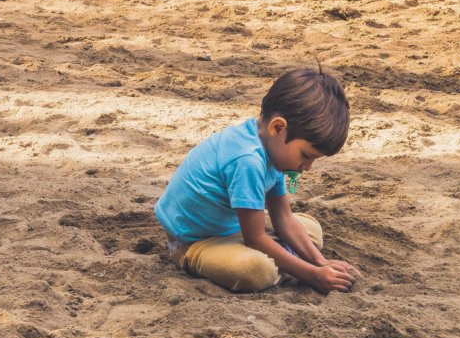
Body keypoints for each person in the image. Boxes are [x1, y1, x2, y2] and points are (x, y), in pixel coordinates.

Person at [154, 68, 361, 294]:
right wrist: (313, 275)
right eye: (306, 155)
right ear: (278, 127)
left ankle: (285, 261)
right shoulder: (247, 160)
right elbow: (255, 238)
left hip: (234, 227)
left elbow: (282, 217)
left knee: (311, 230)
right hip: (195, 241)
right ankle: (285, 263)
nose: (307, 167)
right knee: (256, 270)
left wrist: (321, 262)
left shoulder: (270, 146)